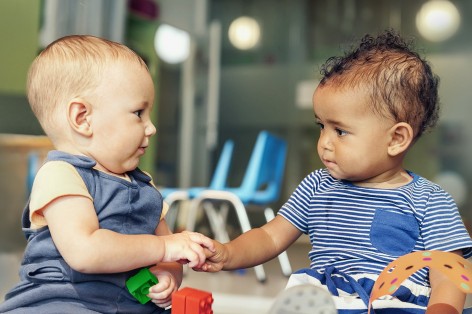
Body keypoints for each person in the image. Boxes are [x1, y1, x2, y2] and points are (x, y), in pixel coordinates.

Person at [201, 29, 472, 313]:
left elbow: (447, 273)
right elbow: (270, 237)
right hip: (325, 304)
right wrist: (229, 253)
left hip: (395, 305)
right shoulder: (317, 186)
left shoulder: (431, 200)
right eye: (322, 126)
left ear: (396, 139)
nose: (324, 143)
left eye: (340, 131)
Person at [0, 35, 215, 314]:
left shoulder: (144, 187)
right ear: (83, 118)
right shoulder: (61, 175)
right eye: (139, 113)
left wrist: (167, 274)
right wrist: (163, 248)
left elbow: (169, 254)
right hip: (62, 303)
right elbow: (86, 251)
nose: (151, 128)